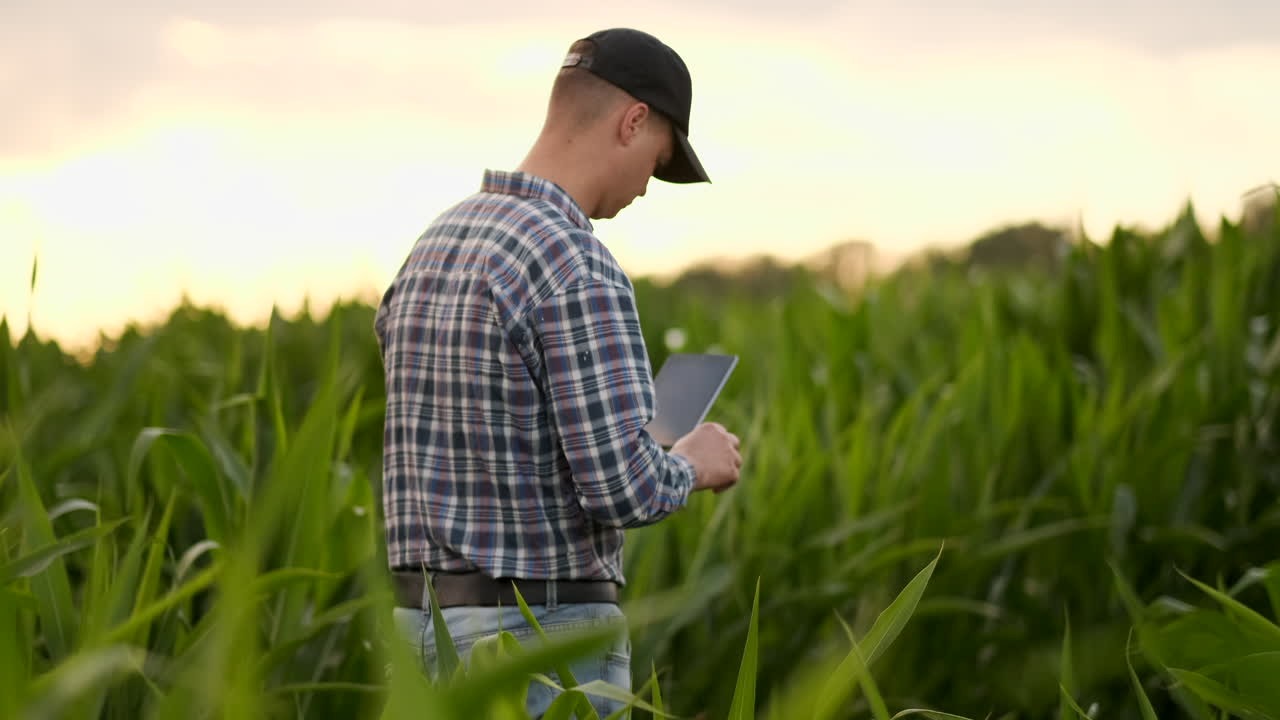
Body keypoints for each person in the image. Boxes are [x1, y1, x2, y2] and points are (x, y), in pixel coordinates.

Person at [375, 27, 742, 717]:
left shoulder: (432, 245)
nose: (646, 188)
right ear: (632, 121)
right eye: (658, 160)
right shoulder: (575, 261)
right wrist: (692, 462)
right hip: (540, 641)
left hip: (420, 634)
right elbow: (622, 489)